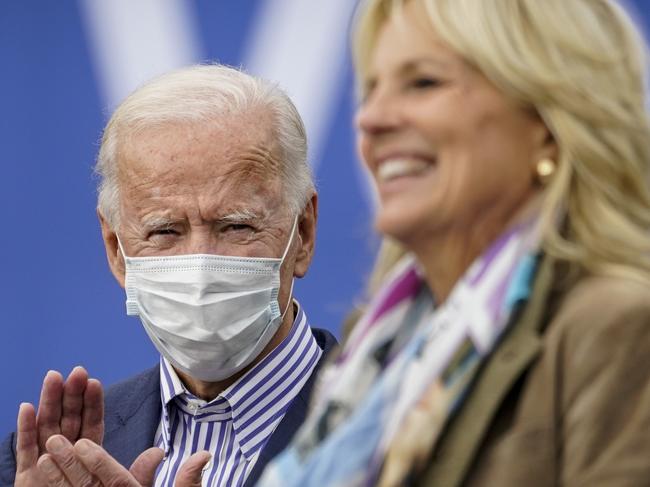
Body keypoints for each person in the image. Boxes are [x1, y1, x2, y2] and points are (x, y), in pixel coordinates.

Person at [258, 0, 650, 486]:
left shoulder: (617, 327)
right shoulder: (372, 349)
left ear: (547, 124)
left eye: (422, 83)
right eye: (371, 90)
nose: (371, 120)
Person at [0, 64, 337, 487]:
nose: (200, 265)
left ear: (302, 232)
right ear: (116, 250)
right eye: (164, 231)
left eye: (236, 225)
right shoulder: (47, 463)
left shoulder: (396, 424)